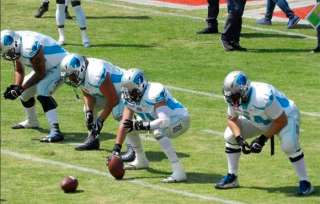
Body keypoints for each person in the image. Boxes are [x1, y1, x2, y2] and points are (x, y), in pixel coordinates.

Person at [215, 71, 314, 196]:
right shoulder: (234, 97)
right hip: (259, 118)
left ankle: (305, 181)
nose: (231, 100)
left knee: (289, 145)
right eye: (230, 96)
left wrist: (262, 139)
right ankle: (232, 176)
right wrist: (239, 139)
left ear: (244, 90)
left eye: (235, 96)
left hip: (286, 116)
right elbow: (231, 119)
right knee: (230, 136)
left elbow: (281, 120)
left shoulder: (262, 97)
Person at [110, 69, 190, 183]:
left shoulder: (154, 92)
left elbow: (164, 121)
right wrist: (116, 150)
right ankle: (141, 160)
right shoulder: (129, 97)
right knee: (130, 126)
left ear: (141, 85)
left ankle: (178, 170)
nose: (128, 94)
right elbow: (125, 122)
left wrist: (141, 125)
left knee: (158, 131)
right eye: (126, 90)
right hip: (159, 122)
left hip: (180, 120)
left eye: (131, 90)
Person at [1, 30, 67, 143]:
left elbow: (40, 73)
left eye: (10, 52)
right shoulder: (17, 43)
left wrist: (21, 88)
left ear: (16, 44)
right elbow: (19, 69)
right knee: (25, 94)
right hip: (45, 67)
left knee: (42, 90)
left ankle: (56, 131)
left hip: (61, 66)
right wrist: (16, 87)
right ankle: (32, 121)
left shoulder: (29, 47)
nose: (9, 55)